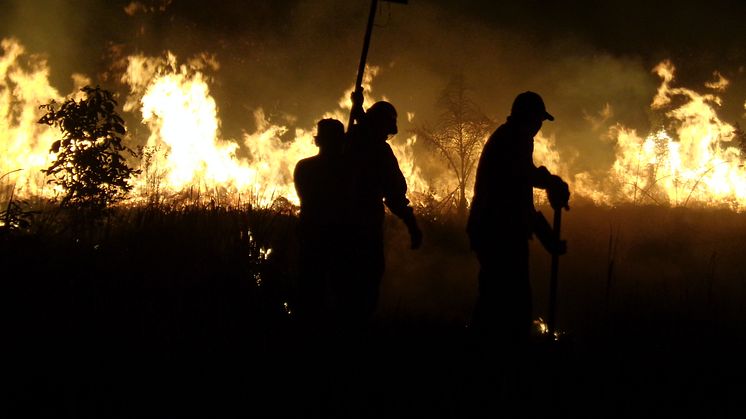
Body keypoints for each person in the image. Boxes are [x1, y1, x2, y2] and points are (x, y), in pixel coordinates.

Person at [466, 91, 570, 348]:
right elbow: (520, 180)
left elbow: (522, 199)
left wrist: (548, 238)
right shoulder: (511, 140)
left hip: (499, 228)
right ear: (529, 117)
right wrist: (550, 182)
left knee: (500, 298)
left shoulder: (516, 138)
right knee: (507, 301)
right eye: (538, 120)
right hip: (496, 230)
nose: (539, 127)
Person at [342, 92, 423, 330]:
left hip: (336, 223)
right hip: (364, 226)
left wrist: (358, 107)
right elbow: (395, 196)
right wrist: (413, 226)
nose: (388, 133)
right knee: (367, 279)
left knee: (341, 280)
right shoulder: (378, 151)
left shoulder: (348, 141)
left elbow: (362, 125)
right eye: (387, 127)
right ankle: (357, 328)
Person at [293, 118, 350, 331]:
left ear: (318, 141)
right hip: (335, 236)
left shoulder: (304, 167)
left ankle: (307, 329)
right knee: (337, 289)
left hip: (310, 233)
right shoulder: (346, 170)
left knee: (310, 286)